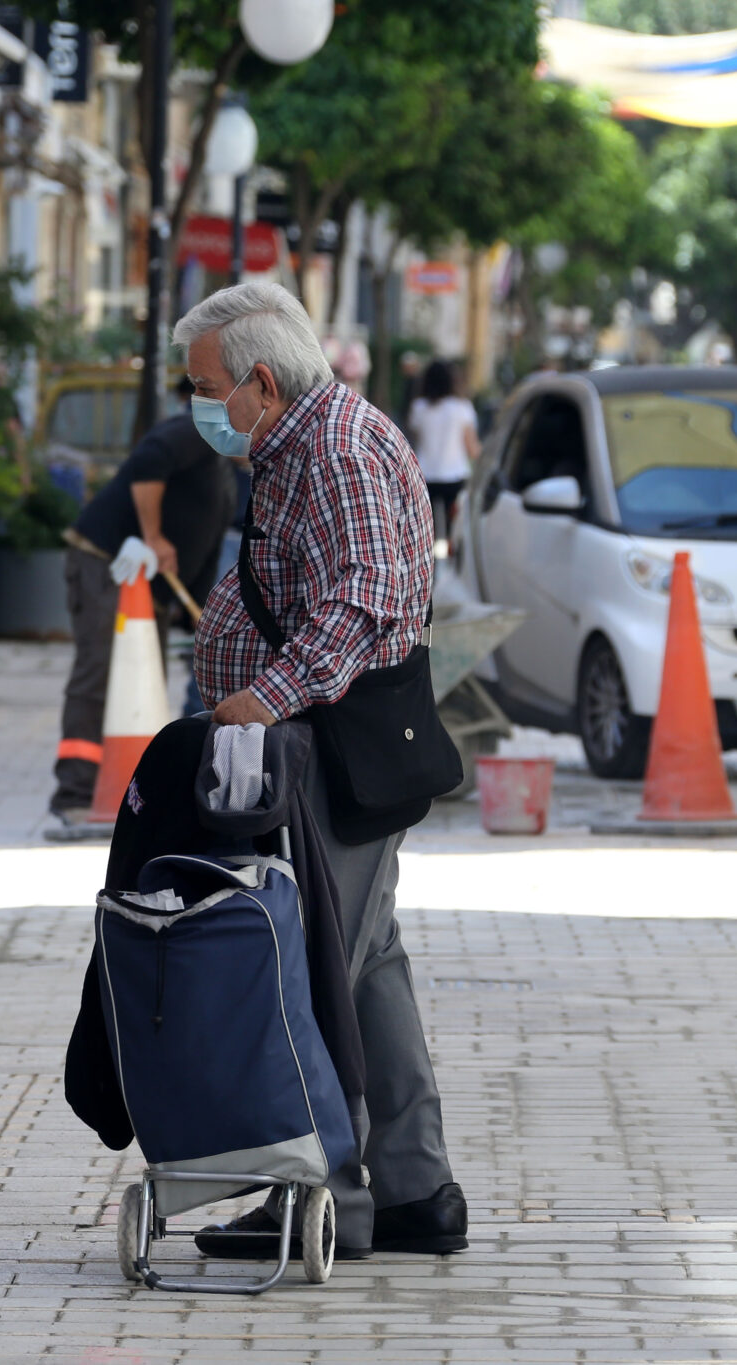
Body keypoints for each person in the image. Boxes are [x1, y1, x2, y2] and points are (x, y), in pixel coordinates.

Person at [172, 281, 467, 1260]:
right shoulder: (299, 439)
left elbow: (366, 598)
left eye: (204, 386)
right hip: (328, 740)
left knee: (311, 978)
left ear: (258, 380)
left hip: (337, 743)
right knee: (365, 968)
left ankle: (320, 1197)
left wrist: (269, 695)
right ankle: (417, 1191)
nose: (197, 405)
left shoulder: (333, 447)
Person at [50, 375, 236, 825]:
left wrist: (203, 620)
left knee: (137, 683)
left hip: (148, 587)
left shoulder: (225, 477)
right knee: (100, 671)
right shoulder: (197, 433)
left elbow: (204, 554)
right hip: (109, 564)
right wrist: (152, 537)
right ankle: (74, 791)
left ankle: (127, 788)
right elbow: (148, 463)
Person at [406, 359, 478, 538]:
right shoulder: (462, 408)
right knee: (455, 530)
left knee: (427, 532)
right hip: (455, 476)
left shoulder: (418, 408)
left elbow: (416, 440)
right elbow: (472, 449)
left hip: (424, 477)